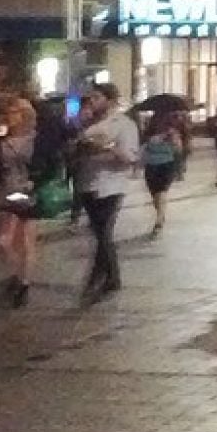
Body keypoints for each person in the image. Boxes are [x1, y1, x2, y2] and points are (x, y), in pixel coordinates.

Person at [72, 82, 140, 303]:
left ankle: (96, 279)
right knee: (100, 233)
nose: (91, 102)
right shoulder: (89, 125)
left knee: (103, 234)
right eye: (90, 98)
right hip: (88, 184)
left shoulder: (124, 124)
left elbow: (131, 157)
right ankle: (113, 277)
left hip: (112, 185)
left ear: (109, 100)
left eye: (96, 98)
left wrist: (107, 148)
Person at [0, 95, 39, 307]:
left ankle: (23, 281)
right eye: (7, 113)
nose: (9, 117)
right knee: (2, 242)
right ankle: (16, 275)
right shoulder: (1, 140)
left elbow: (45, 163)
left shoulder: (35, 140)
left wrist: (36, 180)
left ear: (24, 115)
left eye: (14, 113)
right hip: (5, 190)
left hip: (26, 190)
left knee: (23, 240)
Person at [140, 109, 186, 236]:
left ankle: (159, 220)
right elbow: (143, 147)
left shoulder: (173, 132)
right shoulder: (148, 134)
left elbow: (179, 150)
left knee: (161, 192)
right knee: (155, 195)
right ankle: (161, 214)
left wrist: (173, 139)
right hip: (151, 165)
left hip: (167, 164)